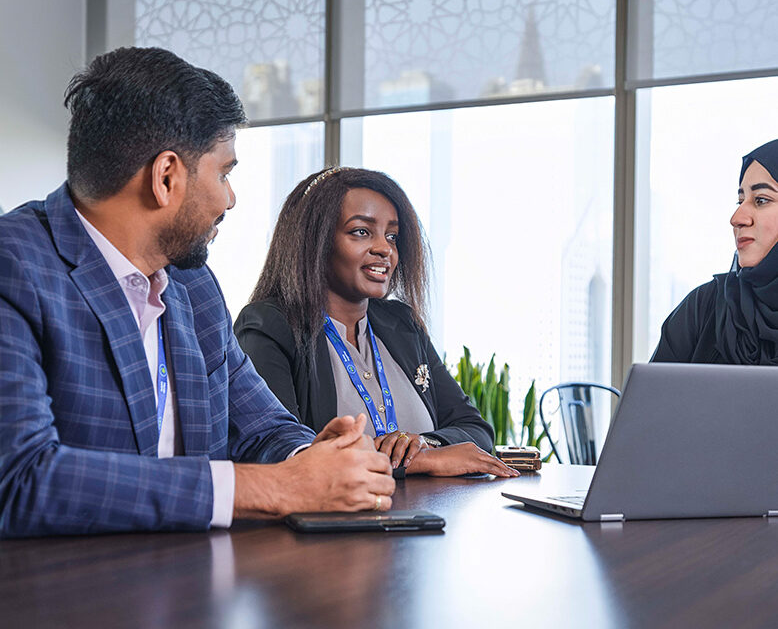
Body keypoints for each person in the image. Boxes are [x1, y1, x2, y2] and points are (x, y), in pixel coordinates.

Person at [0, 48, 395, 538]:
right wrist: (276, 489)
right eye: (224, 172)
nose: (230, 198)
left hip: (194, 591)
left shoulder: (192, 284)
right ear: (167, 177)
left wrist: (314, 458)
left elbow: (263, 425)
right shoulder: (14, 266)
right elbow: (19, 479)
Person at [235, 167, 518, 478]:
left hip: (428, 522)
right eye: (361, 231)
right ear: (314, 241)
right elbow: (279, 450)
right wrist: (419, 463)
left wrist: (425, 443)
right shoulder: (268, 327)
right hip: (336, 524)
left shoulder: (403, 324)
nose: (385, 248)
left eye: (392, 235)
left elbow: (475, 430)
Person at [652, 139, 778, 364]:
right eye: (739, 201)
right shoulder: (703, 308)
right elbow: (648, 399)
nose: (736, 219)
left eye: (761, 200)